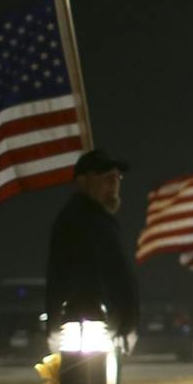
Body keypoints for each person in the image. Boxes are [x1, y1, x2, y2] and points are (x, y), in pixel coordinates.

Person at [45, 148, 141, 353]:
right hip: (90, 327)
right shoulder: (84, 222)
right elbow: (106, 277)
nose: (114, 183)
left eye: (117, 177)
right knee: (90, 382)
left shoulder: (97, 221)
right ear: (83, 182)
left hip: (104, 327)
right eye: (105, 177)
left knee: (100, 383)